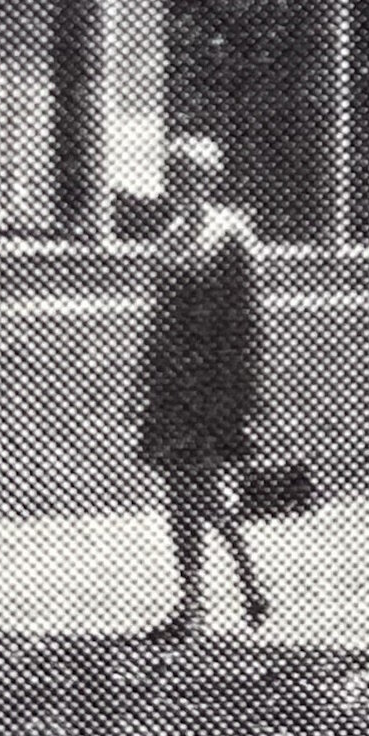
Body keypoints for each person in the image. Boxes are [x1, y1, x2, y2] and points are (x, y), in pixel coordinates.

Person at [132, 135, 272, 637]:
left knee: (207, 487)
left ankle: (247, 580)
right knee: (178, 491)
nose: (179, 185)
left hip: (214, 382)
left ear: (210, 180)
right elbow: (158, 318)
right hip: (172, 383)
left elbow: (251, 318)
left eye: (190, 176)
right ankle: (193, 600)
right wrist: (140, 380)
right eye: (173, 176)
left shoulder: (231, 233)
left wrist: (250, 391)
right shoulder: (168, 238)